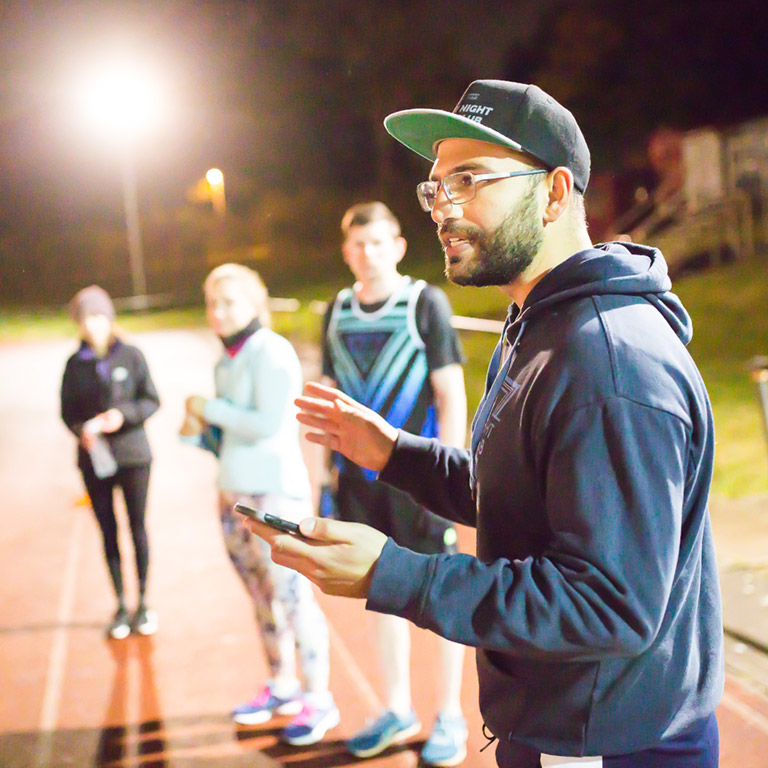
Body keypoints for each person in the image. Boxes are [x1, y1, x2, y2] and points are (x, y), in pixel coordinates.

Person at [246, 81, 724, 768]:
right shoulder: (535, 322)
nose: (444, 208)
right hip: (562, 721)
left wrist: (396, 574)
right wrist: (398, 455)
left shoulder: (609, 363)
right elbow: (527, 499)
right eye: (437, 187)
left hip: (607, 742)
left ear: (555, 193)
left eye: (469, 180)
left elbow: (610, 605)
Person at [320, 202, 469, 766]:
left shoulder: (425, 303)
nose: (368, 254)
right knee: (380, 597)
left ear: (398, 247)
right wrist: (325, 476)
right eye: (358, 245)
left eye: (378, 243)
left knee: (442, 597)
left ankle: (449, 715)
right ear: (346, 252)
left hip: (419, 481)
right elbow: (330, 396)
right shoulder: (336, 310)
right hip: (360, 485)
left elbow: (450, 393)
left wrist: (450, 475)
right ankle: (397, 708)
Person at [180, 263, 339, 746]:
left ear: (254, 303)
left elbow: (268, 423)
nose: (218, 312)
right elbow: (231, 433)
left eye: (229, 301)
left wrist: (209, 409)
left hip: (274, 497)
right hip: (233, 495)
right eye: (212, 303)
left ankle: (319, 698)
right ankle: (282, 684)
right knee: (260, 596)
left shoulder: (271, 351)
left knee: (293, 597)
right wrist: (200, 431)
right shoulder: (225, 361)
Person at [61, 285, 160, 640]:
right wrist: (81, 431)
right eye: (84, 318)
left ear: (108, 317)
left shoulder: (131, 355)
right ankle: (120, 604)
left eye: (97, 316)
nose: (91, 324)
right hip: (94, 462)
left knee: (137, 527)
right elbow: (67, 412)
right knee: (108, 532)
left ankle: (143, 602)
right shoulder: (74, 365)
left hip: (133, 457)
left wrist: (123, 416)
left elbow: (151, 400)